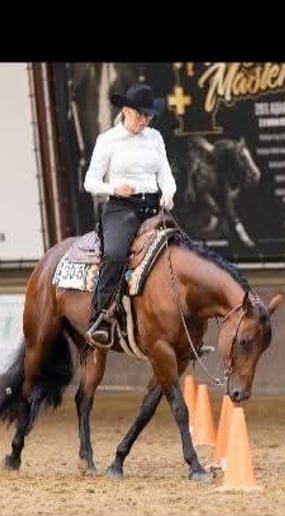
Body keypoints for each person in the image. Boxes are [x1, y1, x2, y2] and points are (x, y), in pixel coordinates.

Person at [83, 84, 176, 348]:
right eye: (139, 114)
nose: (144, 120)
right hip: (122, 208)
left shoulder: (155, 137)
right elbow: (90, 181)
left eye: (148, 116)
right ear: (125, 110)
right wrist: (113, 188)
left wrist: (168, 193)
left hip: (153, 207)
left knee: (182, 249)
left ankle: (180, 320)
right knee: (114, 254)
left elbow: (166, 175)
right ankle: (100, 317)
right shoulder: (108, 140)